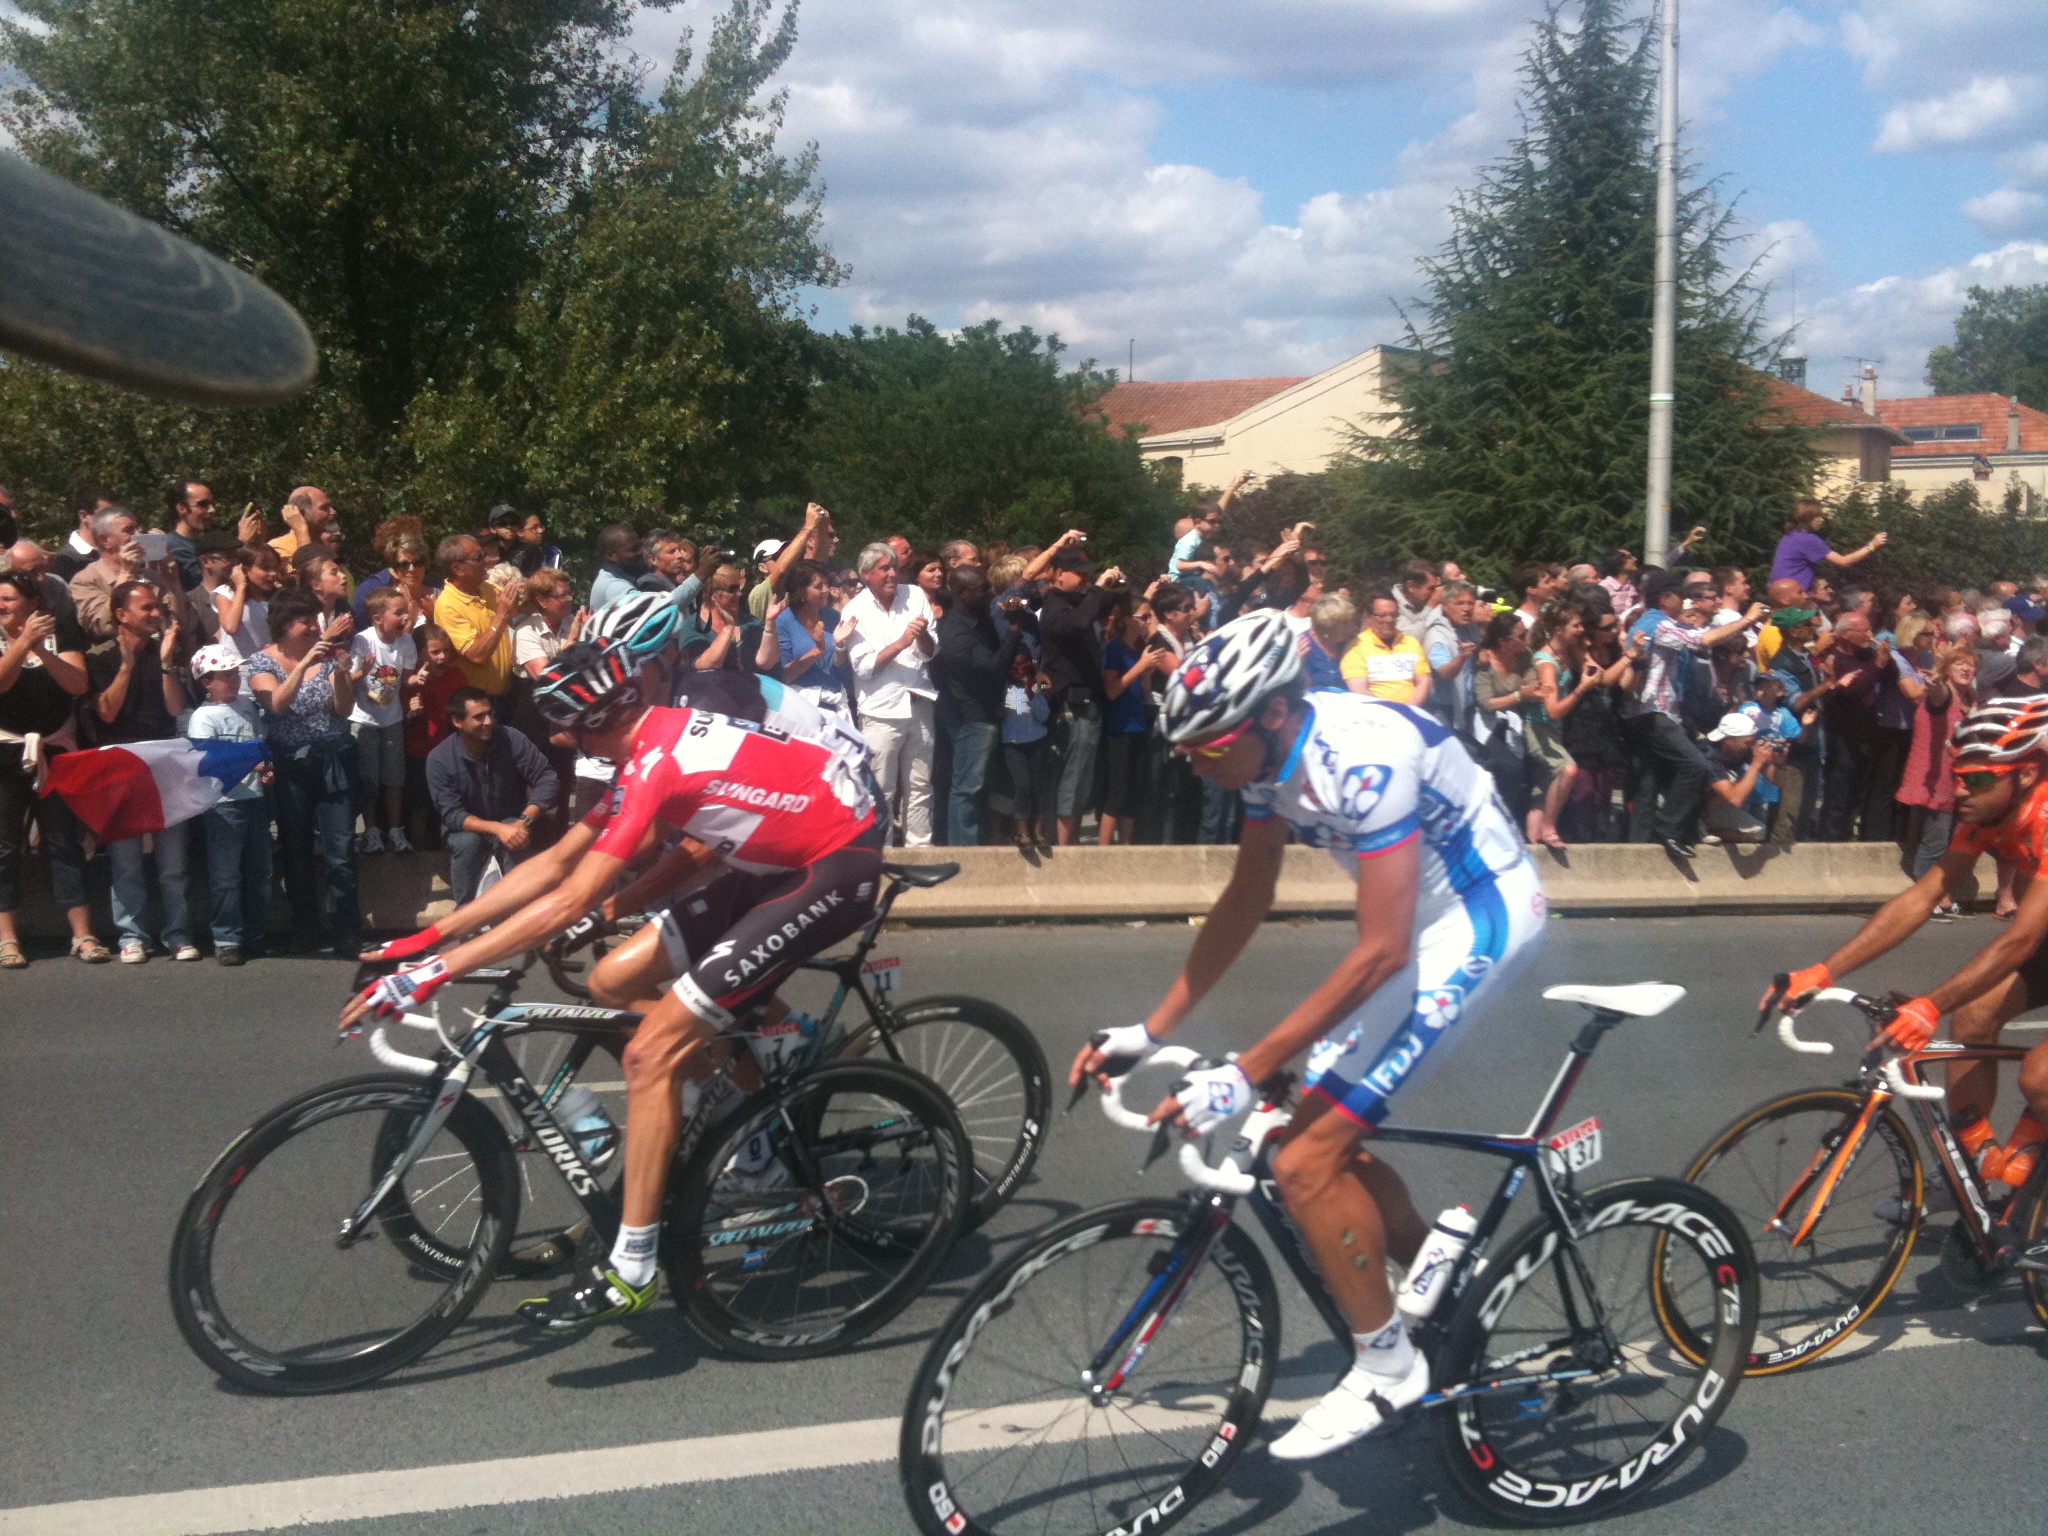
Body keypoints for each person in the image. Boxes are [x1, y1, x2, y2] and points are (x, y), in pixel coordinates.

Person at [1070, 609, 1544, 1459]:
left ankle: (1388, 1367)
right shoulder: (1262, 763)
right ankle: (1442, 1261)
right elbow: (1247, 898)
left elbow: (1381, 953)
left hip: (1479, 917)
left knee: (1299, 1160)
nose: (1193, 761)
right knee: (1313, 1132)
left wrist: (1247, 1068)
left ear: (1275, 714)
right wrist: (1150, 1028)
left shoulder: (1360, 761)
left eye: (1207, 745)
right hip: (1407, 930)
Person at [344, 637, 885, 1331]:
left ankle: (634, 1266)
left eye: (564, 724)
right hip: (767, 863)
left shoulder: (656, 761)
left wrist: (431, 974)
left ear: (594, 718)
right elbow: (555, 863)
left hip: (834, 867)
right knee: (612, 977)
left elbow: (569, 900)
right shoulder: (644, 747)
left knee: (648, 1052)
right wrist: (425, 939)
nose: (561, 738)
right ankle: (743, 1084)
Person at [1770, 699, 2048, 1265]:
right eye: (1956, 777)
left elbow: (2020, 939)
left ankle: (2030, 1172)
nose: (1960, 791)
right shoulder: (1985, 815)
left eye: (1975, 778)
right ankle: (1979, 1173)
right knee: (1971, 1018)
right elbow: (1924, 896)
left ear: (2025, 772)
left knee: (2040, 1077)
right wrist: (1823, 971)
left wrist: (1926, 1004)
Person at [85, 582, 198, 962]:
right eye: (146, 608)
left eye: (156, 607)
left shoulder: (165, 649)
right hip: (120, 761)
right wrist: (127, 664)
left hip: (163, 758)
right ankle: (132, 936)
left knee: (173, 862)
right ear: (122, 615)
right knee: (125, 860)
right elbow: (106, 712)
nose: (155, 613)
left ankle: (178, 932)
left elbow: (173, 708)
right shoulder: (99, 654)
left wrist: (166, 661)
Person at [1622, 572, 1766, 858]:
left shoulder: (1665, 623)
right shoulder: (1656, 624)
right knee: (1695, 765)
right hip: (1653, 712)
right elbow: (1705, 639)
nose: (1685, 601)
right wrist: (1748, 619)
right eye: (1679, 595)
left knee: (1650, 784)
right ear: (1665, 599)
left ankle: (1647, 844)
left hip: (1665, 714)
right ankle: (1668, 830)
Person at [250, 585, 360, 953]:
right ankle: (306, 926)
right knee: (296, 849)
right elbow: (277, 704)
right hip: (290, 764)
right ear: (283, 624)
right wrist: (305, 663)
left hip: (333, 758)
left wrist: (342, 675)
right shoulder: (262, 662)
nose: (314, 627)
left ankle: (346, 927)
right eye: (304, 621)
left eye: (315, 619)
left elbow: (343, 709)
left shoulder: (328, 659)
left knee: (340, 850)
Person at [0, 567, 99, 967]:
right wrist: (21, 642)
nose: (1, 605)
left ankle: (83, 934)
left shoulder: (62, 634)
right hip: (6, 749)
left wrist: (40, 648)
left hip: (55, 749)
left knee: (63, 841)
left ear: (33, 602)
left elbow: (77, 684)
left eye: (8, 599)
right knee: (4, 845)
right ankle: (7, 938)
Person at [426, 688, 561, 904]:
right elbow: (452, 814)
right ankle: (466, 917)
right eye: (479, 717)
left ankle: (520, 911)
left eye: (490, 714)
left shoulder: (511, 738)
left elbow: (547, 778)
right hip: (466, 830)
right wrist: (498, 829)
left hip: (511, 819)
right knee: (468, 843)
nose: (488, 721)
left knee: (515, 836)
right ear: (457, 722)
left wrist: (524, 820)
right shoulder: (439, 759)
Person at [843, 542, 939, 846]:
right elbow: (864, 667)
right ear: (867, 574)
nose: (892, 574)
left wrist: (922, 635)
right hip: (880, 712)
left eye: (894, 567)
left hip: (919, 704)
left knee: (920, 786)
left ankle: (920, 850)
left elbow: (931, 652)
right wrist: (902, 641)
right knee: (881, 789)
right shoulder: (854, 610)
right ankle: (880, 855)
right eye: (885, 568)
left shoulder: (914, 596)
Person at [186, 644, 274, 964]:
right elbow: (206, 762)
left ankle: (255, 932)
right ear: (207, 681)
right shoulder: (203, 717)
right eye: (226, 675)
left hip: (254, 799)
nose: (235, 679)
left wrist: (267, 770)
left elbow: (258, 746)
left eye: (235, 673)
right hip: (224, 805)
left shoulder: (247, 707)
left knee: (259, 869)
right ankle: (227, 937)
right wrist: (250, 765)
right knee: (226, 875)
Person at [933, 563, 1028, 847]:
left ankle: (979, 845)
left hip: (988, 712)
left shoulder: (980, 617)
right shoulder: (957, 632)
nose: (988, 593)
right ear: (962, 593)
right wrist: (1013, 628)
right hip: (971, 717)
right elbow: (995, 666)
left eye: (988, 586)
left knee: (981, 787)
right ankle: (965, 852)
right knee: (967, 788)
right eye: (981, 589)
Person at [1896, 648, 1976, 901]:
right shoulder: (1942, 692)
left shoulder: (1971, 695)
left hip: (1961, 779)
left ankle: (1941, 889)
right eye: (1959, 664)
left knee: (1955, 840)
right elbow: (1937, 697)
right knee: (1937, 840)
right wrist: (1934, 685)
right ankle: (1929, 893)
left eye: (1970, 665)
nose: (1966, 669)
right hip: (1936, 779)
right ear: (1947, 669)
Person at [348, 587, 418, 855]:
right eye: (398, 613)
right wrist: (361, 672)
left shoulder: (407, 642)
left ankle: (395, 830)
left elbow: (407, 678)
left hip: (392, 719)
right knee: (369, 780)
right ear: (378, 618)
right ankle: (372, 831)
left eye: (406, 612)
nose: (404, 618)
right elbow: (350, 679)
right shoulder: (363, 642)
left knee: (394, 778)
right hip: (364, 720)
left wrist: (417, 681)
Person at [432, 533, 521, 702]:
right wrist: (501, 615)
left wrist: (522, 595)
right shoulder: (447, 605)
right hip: (477, 700)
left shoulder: (488, 588)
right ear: (458, 569)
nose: (487, 560)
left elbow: (515, 612)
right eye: (478, 558)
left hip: (507, 691)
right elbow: (477, 655)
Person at [401, 624, 465, 852]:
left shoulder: (456, 675)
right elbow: (401, 717)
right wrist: (410, 712)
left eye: (446, 651)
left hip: (449, 752)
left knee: (448, 806)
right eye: (435, 652)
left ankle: (445, 850)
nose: (442, 657)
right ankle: (421, 855)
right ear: (419, 653)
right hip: (420, 752)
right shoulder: (410, 679)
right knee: (420, 807)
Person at [772, 558, 851, 714]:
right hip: (802, 706)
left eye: (827, 584)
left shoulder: (832, 616)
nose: (825, 590)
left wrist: (841, 646)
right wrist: (817, 650)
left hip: (835, 703)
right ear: (800, 590)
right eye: (818, 586)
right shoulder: (783, 621)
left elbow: (842, 669)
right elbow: (784, 676)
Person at [1768, 500, 1886, 592]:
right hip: (1791, 595)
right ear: (1807, 518)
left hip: (1778, 591)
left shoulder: (1790, 536)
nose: (1821, 520)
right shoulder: (1808, 539)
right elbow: (1843, 561)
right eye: (1818, 517)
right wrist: (1872, 545)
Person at [1695, 712, 1774, 844]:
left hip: (1712, 808)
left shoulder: (1742, 750)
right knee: (1730, 785)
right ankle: (1695, 830)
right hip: (1691, 808)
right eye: (1747, 743)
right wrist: (1756, 764)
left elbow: (1777, 781)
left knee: (1758, 832)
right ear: (1728, 740)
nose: (1750, 747)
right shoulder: (1707, 754)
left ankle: (1703, 832)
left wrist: (1776, 762)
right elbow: (1735, 799)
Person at [1342, 591, 1432, 706]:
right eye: (1382, 616)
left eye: (1393, 615)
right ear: (1369, 617)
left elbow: (1424, 680)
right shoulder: (1356, 647)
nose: (1389, 620)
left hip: (1412, 711)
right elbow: (1359, 690)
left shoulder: (1411, 643)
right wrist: (1393, 710)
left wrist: (1410, 707)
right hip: (1378, 714)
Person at [588, 524, 647, 611]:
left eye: (640, 546)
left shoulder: (610, 575)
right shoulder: (615, 587)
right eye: (633, 549)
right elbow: (648, 611)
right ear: (610, 555)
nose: (641, 552)